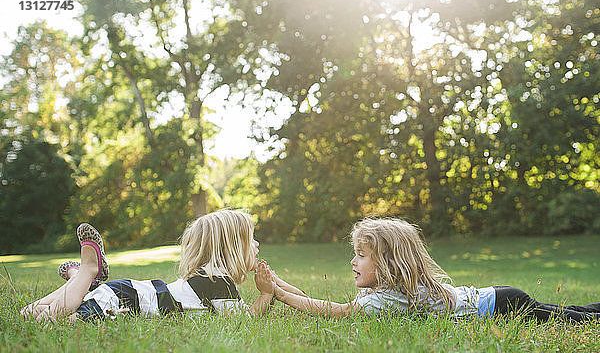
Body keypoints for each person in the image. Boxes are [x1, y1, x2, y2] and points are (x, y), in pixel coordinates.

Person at [258, 218, 600, 322]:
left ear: (389, 262)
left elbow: (334, 311)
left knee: (574, 318)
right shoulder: (398, 288)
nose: (353, 262)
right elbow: (324, 304)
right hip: (500, 297)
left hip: (501, 307)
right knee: (570, 313)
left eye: (361, 255)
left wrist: (278, 293)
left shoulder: (387, 299)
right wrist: (276, 285)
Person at [21, 209, 284, 322]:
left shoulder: (208, 278)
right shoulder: (216, 282)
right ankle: (87, 272)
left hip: (123, 294)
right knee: (49, 320)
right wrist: (266, 293)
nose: (257, 244)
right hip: (123, 301)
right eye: (252, 239)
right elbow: (246, 319)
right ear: (233, 248)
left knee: (30, 314)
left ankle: (78, 280)